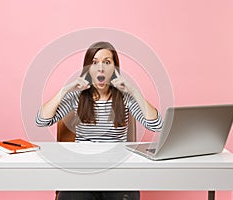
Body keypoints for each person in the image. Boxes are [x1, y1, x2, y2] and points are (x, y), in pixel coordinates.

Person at [36, 41, 163, 200]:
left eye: (107, 62)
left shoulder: (124, 97)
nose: (101, 68)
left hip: (117, 173)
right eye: (95, 63)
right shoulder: (78, 96)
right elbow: (41, 120)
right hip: (82, 171)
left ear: (114, 69)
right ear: (88, 69)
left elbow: (157, 125)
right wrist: (66, 89)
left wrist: (133, 91)